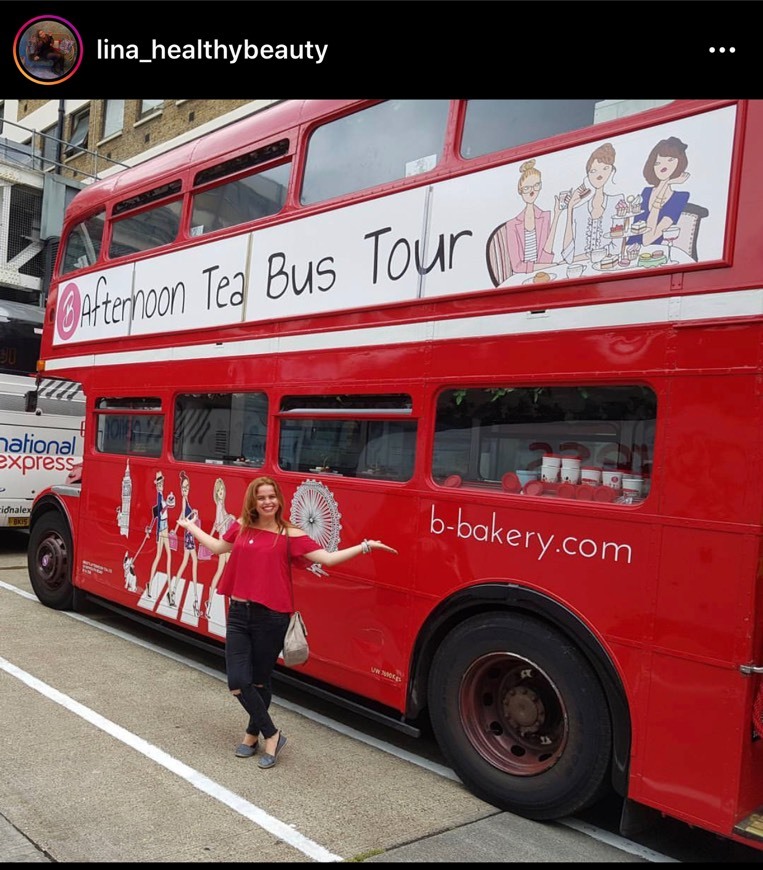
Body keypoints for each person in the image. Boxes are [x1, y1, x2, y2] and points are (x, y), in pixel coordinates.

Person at [176, 475, 398, 769]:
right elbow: (219, 548)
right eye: (261, 497)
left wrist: (365, 546)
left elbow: (327, 559)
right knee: (237, 681)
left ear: (278, 501)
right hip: (239, 613)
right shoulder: (241, 525)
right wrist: (191, 527)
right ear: (253, 501)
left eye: (272, 497)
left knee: (258, 680)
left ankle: (251, 734)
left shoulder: (289, 534)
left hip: (272, 617)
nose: (267, 502)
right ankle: (273, 734)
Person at [492, 159, 563, 277]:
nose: (532, 191)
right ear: (520, 191)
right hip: (522, 277)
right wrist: (552, 266)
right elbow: (517, 266)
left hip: (542, 273)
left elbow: (546, 257)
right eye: (527, 188)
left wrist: (557, 216)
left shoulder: (544, 217)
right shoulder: (512, 225)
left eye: (536, 186)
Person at [560, 142, 619, 263]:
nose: (599, 174)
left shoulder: (617, 202)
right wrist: (570, 207)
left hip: (609, 269)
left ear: (612, 171)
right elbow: (568, 255)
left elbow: (616, 248)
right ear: (587, 176)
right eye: (593, 171)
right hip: (581, 272)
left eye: (605, 168)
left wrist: (582, 257)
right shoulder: (579, 210)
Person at [627, 136, 690, 247]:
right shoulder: (646, 192)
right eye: (657, 163)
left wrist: (667, 183)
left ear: (679, 163)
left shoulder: (679, 198)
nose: (663, 166)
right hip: (629, 253)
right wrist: (666, 183)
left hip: (652, 254)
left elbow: (648, 239)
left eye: (670, 160)